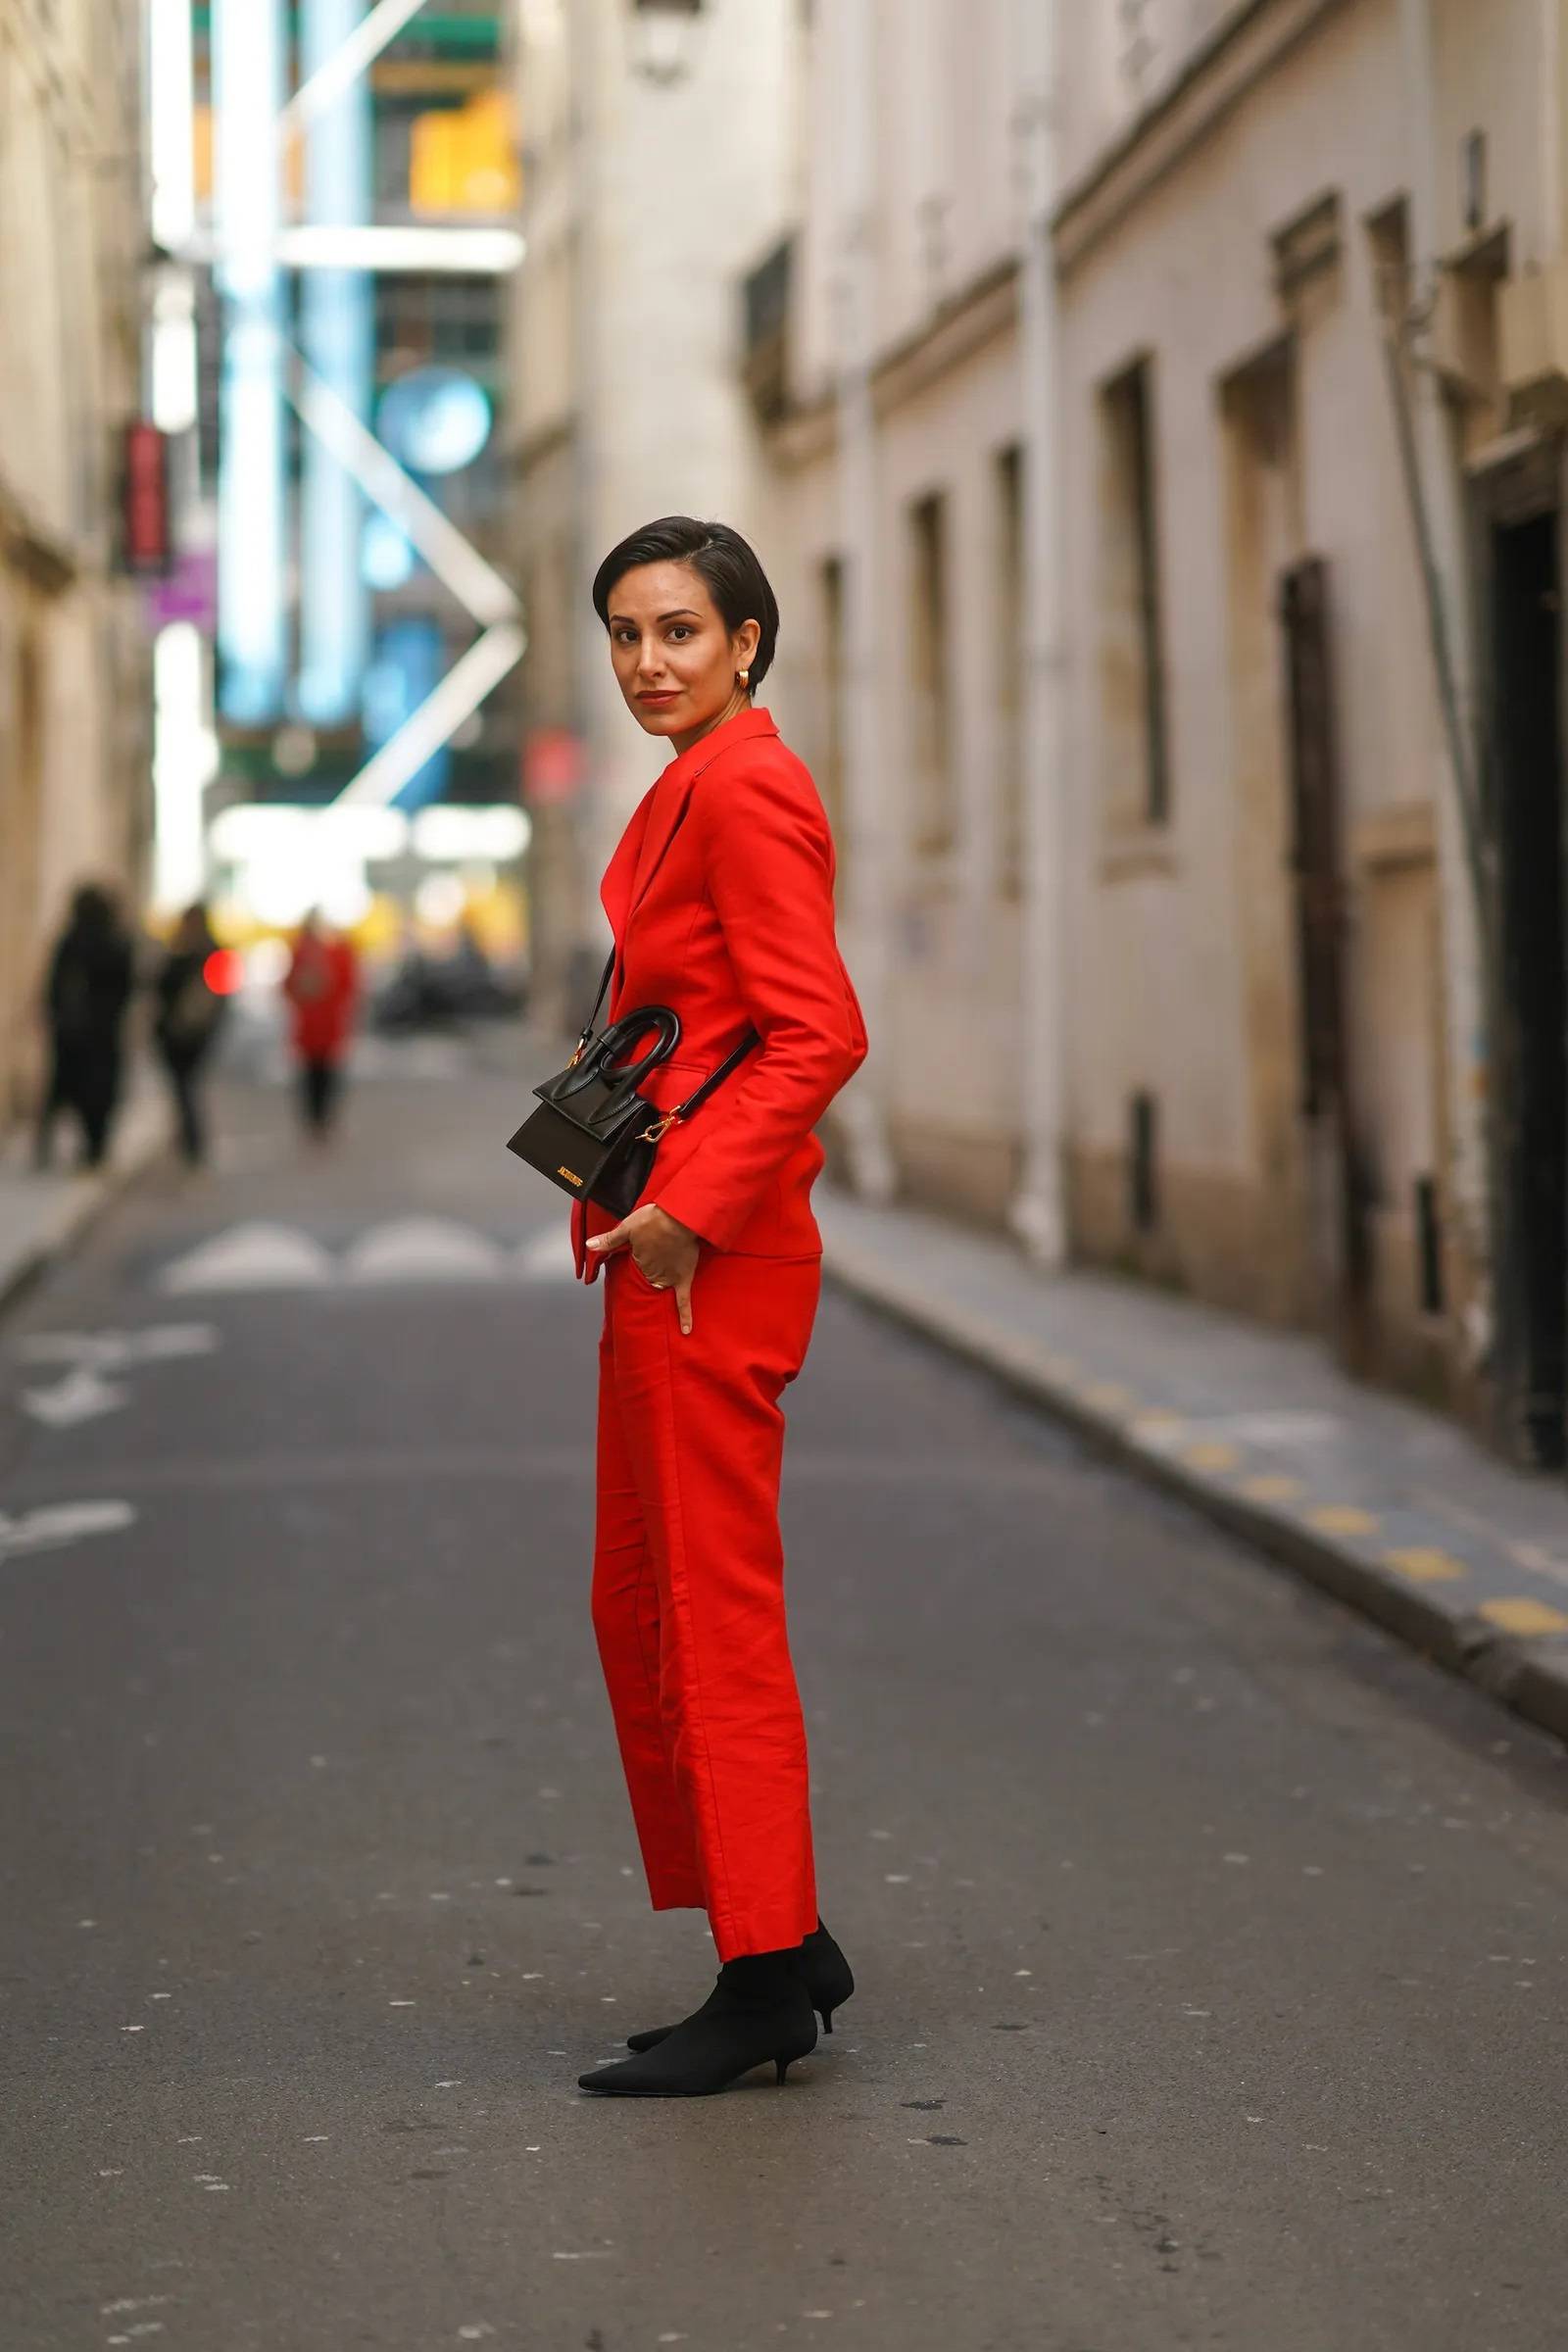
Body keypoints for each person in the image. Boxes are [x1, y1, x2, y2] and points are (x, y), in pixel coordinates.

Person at [570, 516, 867, 2099]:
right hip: (663, 1247)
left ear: (746, 640)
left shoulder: (749, 782)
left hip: (709, 1256)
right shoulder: (691, 779)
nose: (646, 662)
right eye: (624, 633)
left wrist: (688, 1203)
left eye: (678, 631)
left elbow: (818, 1031)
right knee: (640, 1602)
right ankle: (789, 1932)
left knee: (708, 1611)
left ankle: (761, 1979)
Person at [35, 883, 135, 1170]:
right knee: (95, 1096)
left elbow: (56, 987)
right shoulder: (113, 942)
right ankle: (93, 1150)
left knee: (65, 1091)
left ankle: (61, 1148)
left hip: (78, 1033)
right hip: (97, 1035)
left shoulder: (77, 941)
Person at [152, 903, 228, 1166]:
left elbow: (217, 997)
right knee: (182, 1088)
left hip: (193, 1034)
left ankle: (191, 1141)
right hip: (175, 1032)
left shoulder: (206, 953)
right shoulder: (180, 950)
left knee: (185, 1088)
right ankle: (188, 1138)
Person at [282, 910, 358, 1138]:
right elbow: (288, 987)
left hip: (328, 1027)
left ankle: (323, 1119)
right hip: (309, 1029)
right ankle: (315, 1119)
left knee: (327, 1076)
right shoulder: (301, 954)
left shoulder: (339, 953)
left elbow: (348, 987)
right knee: (310, 1078)